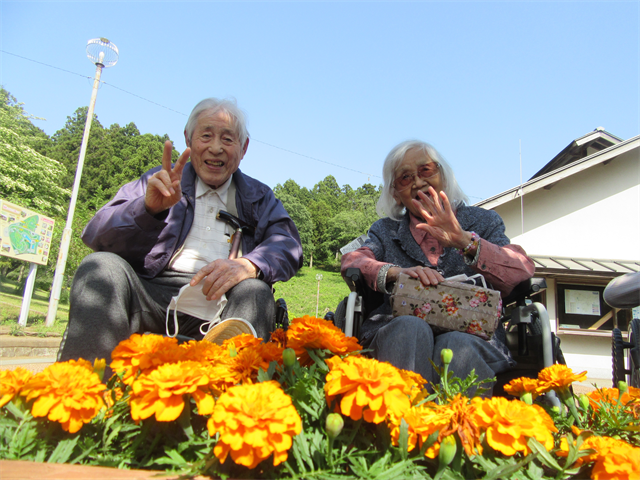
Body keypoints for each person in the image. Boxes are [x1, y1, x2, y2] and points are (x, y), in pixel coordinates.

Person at [58, 97, 303, 369]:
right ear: (188, 139)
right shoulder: (159, 181)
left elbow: (288, 245)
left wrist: (249, 265)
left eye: (227, 139)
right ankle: (84, 394)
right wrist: (146, 209)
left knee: (256, 291)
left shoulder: (260, 198)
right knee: (100, 266)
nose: (216, 147)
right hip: (153, 295)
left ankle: (231, 403)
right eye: (206, 136)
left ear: (243, 148)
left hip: (223, 301)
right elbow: (97, 235)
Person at [341, 140, 535, 394]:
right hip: (398, 328)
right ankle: (401, 427)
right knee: (410, 328)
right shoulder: (385, 230)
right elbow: (352, 260)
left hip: (474, 335)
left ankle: (459, 430)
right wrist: (395, 273)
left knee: (458, 345)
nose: (418, 182)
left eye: (426, 171)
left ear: (443, 175)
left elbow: (521, 268)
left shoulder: (483, 221)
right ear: (395, 193)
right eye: (405, 178)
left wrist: (463, 240)